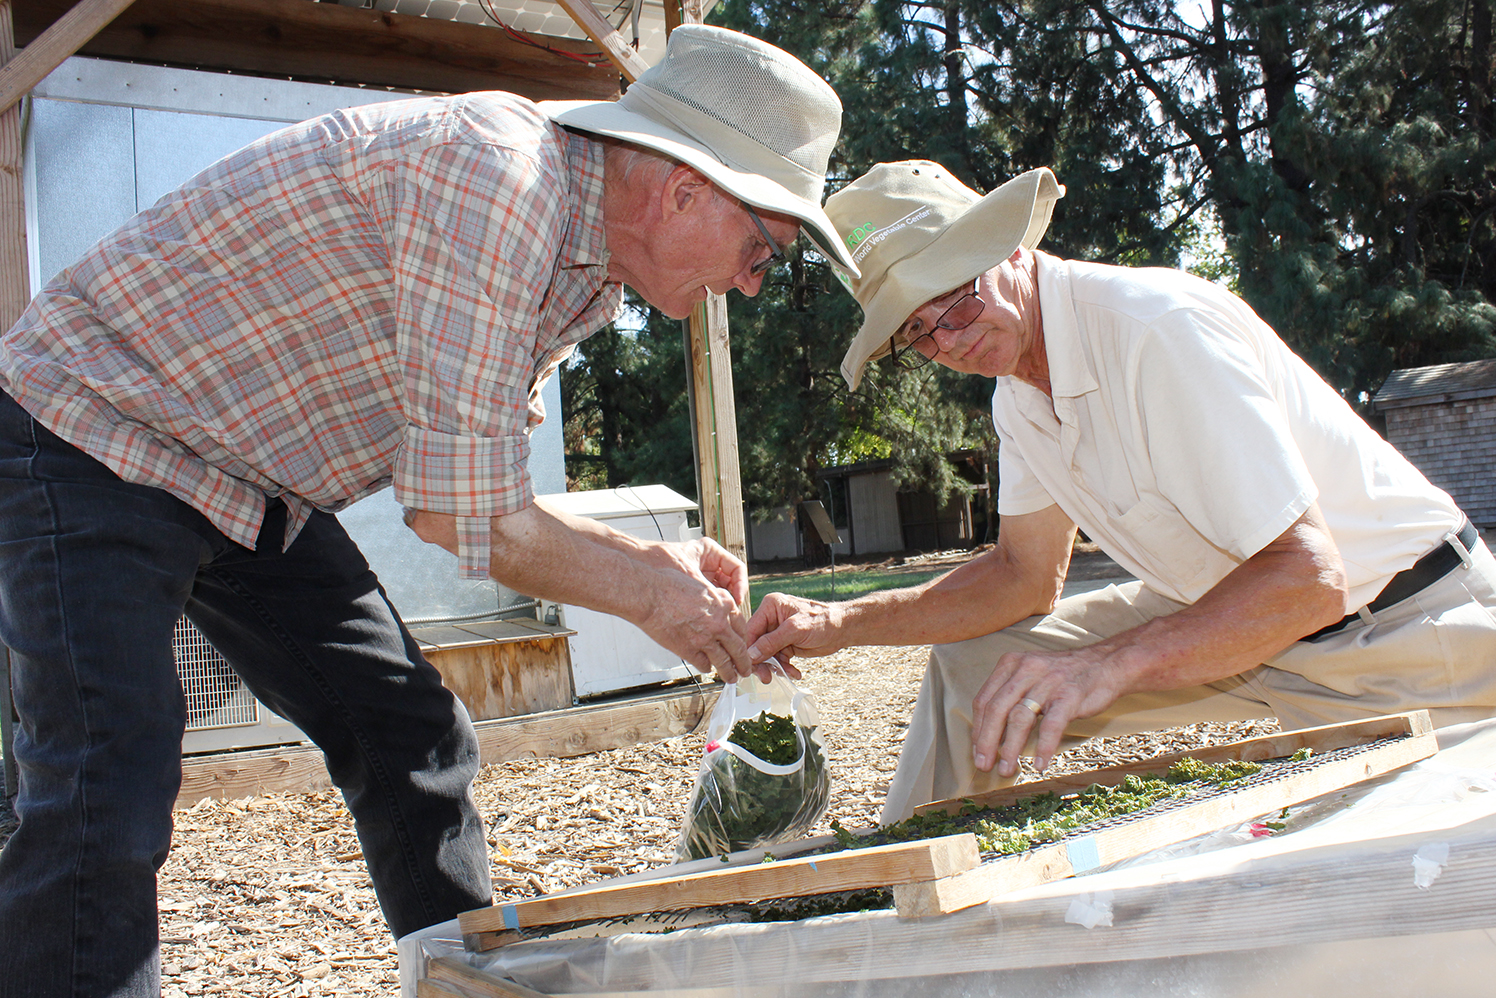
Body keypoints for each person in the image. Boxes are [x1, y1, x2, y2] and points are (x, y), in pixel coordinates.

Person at [0, 25, 858, 998]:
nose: (749, 283)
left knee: (410, 733)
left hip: (243, 482)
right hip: (93, 428)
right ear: (683, 189)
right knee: (107, 775)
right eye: (760, 249)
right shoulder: (498, 181)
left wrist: (652, 563)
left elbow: (484, 488)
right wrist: (655, 601)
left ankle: (454, 980)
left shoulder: (578, 270)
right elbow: (459, 518)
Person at [743, 160, 1496, 823]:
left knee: (1386, 914)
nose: (950, 340)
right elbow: (1023, 577)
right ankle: (915, 896)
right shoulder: (1019, 396)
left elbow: (1308, 579)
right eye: (917, 333)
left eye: (956, 298)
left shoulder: (1156, 332)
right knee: (972, 670)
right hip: (1248, 625)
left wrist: (1106, 666)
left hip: (1398, 632)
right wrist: (842, 620)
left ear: (1007, 247)